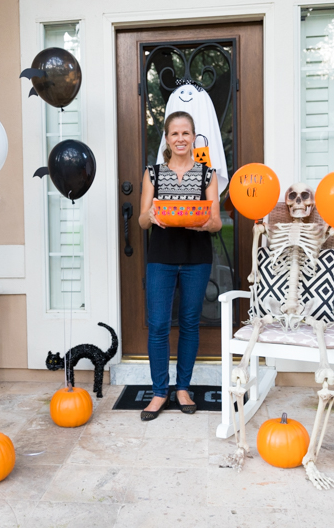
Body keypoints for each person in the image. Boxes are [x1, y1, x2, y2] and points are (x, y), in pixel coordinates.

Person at [138, 110, 222, 421]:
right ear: (167, 138)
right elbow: (142, 220)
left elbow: (214, 221)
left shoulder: (208, 174)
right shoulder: (153, 174)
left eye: (185, 133)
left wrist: (204, 225)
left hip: (196, 258)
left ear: (193, 136)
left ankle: (183, 388)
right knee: (158, 325)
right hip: (161, 258)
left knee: (189, 324)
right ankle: (160, 392)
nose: (181, 139)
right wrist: (152, 217)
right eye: (175, 134)